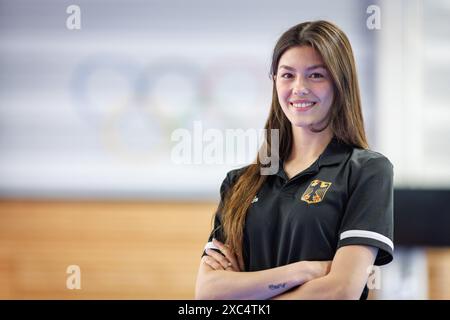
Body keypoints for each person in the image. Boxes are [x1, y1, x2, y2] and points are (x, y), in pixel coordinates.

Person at [195, 20, 394, 300]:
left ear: (341, 83)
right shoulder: (239, 183)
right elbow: (209, 292)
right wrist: (304, 271)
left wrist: (245, 295)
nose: (299, 87)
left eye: (315, 75)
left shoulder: (366, 171)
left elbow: (341, 291)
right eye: (287, 75)